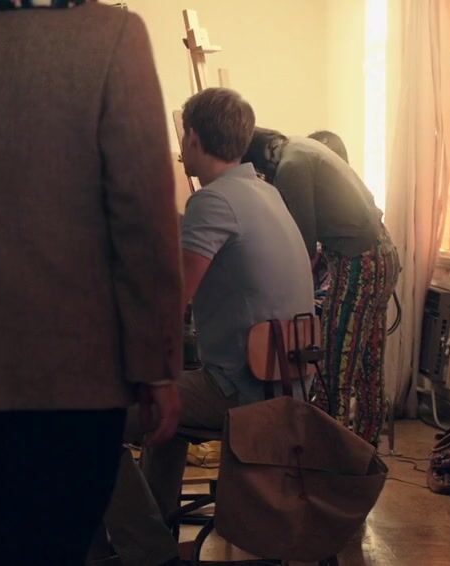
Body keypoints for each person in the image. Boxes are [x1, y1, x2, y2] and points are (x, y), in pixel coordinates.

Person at [0, 2, 184, 563]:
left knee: (8, 530)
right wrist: (157, 363)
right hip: (86, 354)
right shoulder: (112, 35)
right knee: (65, 538)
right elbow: (142, 217)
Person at [99, 88, 315, 565]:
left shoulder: (214, 202)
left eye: (182, 137)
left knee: (91, 421)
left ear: (193, 138)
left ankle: (145, 552)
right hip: (288, 383)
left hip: (242, 389)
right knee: (165, 417)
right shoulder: (265, 192)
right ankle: (153, 535)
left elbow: (170, 303)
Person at [244, 127, 401, 444]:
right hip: (383, 256)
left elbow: (302, 243)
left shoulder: (290, 167)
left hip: (358, 263)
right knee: (368, 366)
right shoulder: (302, 146)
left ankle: (332, 456)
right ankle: (364, 453)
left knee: (334, 368)